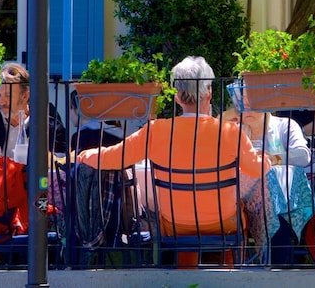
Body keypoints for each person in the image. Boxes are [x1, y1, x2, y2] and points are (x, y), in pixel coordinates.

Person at [77, 56, 270, 254]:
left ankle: (186, 270)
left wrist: (83, 155)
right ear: (209, 93)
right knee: (241, 212)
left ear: (177, 97)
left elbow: (114, 157)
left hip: (175, 225)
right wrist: (266, 158)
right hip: (224, 224)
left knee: (175, 222)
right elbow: (257, 169)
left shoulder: (155, 131)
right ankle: (228, 269)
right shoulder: (230, 132)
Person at [0, 62, 67, 159]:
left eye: (8, 95)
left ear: (25, 96)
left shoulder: (49, 128)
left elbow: (62, 161)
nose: (1, 102)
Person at [229, 110, 310, 168]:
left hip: (280, 187)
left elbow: (303, 156)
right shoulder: (234, 131)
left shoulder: (285, 125)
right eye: (242, 104)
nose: (246, 110)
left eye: (251, 104)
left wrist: (275, 159)